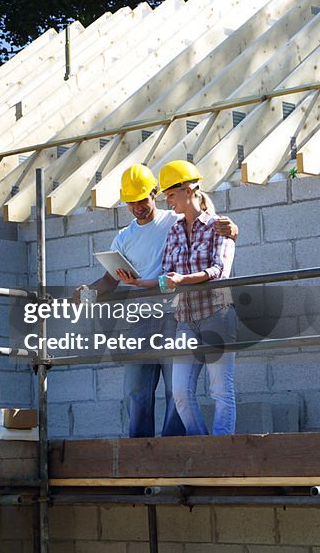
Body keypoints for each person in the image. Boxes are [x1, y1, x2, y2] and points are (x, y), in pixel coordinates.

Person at [74, 164, 238, 438]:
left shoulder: (172, 220)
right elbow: (110, 281)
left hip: (175, 316)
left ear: (154, 194)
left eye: (142, 200)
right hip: (139, 321)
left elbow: (210, 229)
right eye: (131, 203)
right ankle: (140, 451)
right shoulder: (125, 238)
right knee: (136, 391)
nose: (137, 207)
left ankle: (170, 446)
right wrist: (85, 293)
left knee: (177, 391)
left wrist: (232, 229)